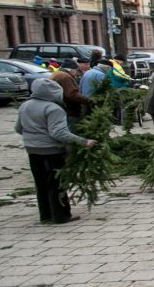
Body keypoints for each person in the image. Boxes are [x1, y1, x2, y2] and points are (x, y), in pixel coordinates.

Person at [14, 79, 97, 224]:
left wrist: (34, 138)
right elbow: (58, 133)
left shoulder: (25, 106)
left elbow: (18, 128)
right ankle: (61, 216)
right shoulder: (53, 109)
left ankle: (45, 216)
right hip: (52, 152)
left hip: (32, 151)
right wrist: (84, 141)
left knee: (41, 184)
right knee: (56, 184)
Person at [50, 59, 88, 131]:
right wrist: (86, 99)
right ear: (71, 70)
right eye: (76, 70)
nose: (76, 72)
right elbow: (72, 94)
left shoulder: (57, 73)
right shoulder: (65, 77)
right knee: (71, 129)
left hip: (59, 106)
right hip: (68, 108)